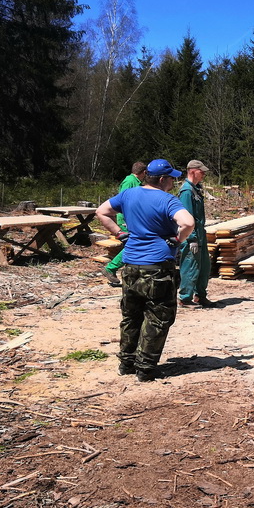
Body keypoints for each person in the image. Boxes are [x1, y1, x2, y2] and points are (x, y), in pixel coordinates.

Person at [95, 159, 195, 382]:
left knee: (131, 316)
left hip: (131, 266)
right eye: (171, 179)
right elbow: (188, 222)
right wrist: (178, 239)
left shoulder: (129, 194)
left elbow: (101, 211)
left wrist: (119, 233)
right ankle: (145, 368)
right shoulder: (168, 200)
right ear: (162, 179)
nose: (173, 183)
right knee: (158, 317)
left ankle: (126, 363)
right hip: (158, 267)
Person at [102, 161, 147, 287]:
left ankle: (130, 271)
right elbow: (124, 201)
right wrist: (127, 219)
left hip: (132, 219)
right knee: (133, 246)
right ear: (143, 172)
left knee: (134, 245)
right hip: (126, 220)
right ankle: (111, 268)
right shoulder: (129, 182)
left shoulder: (136, 182)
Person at [177, 160, 213, 308]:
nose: (203, 174)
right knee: (190, 265)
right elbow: (187, 217)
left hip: (200, 233)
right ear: (192, 171)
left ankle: (200, 295)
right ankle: (185, 298)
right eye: (201, 171)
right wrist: (191, 237)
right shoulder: (186, 191)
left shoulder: (195, 189)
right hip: (192, 235)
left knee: (204, 266)